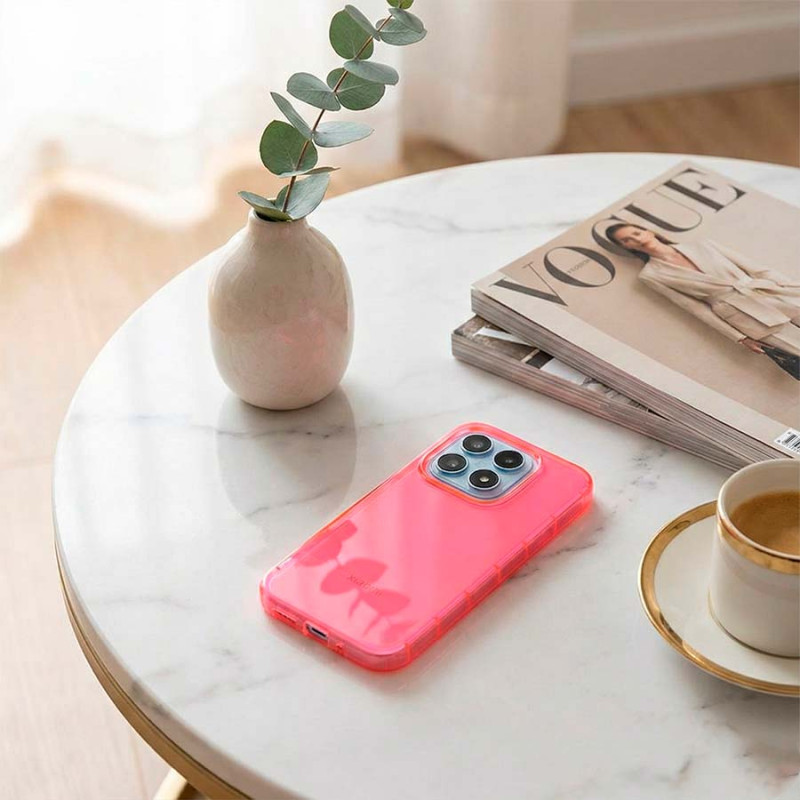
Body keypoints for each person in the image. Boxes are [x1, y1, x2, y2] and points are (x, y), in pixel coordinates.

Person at [606, 223, 800, 377]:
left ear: (648, 232)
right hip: (743, 315)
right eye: (626, 240)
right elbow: (696, 309)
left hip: (769, 292)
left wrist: (792, 287)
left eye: (636, 233)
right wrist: (740, 338)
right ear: (625, 247)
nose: (636, 239)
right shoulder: (651, 275)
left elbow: (759, 269)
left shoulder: (703, 245)